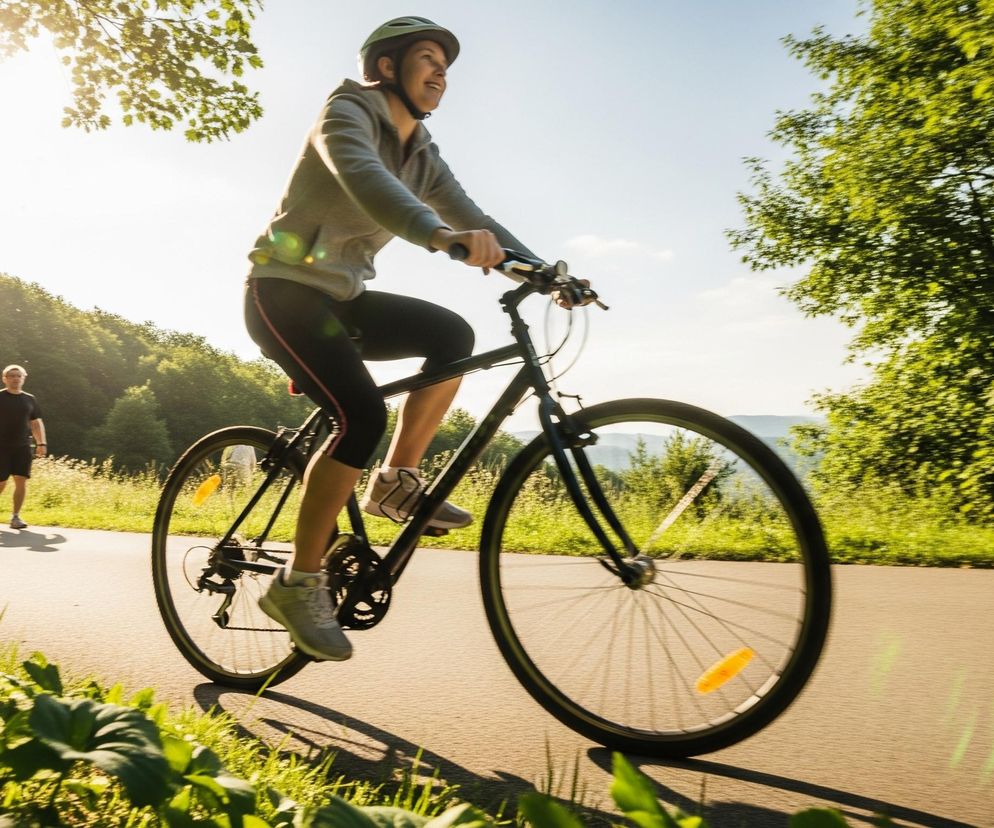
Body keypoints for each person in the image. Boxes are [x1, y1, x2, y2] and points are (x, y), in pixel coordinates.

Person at [244, 16, 589, 662]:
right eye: (427, 59)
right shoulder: (345, 112)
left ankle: (395, 481)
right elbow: (364, 182)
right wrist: (438, 236)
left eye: (447, 67)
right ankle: (298, 581)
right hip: (281, 292)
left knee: (452, 335)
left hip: (341, 301)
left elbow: (475, 218)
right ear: (385, 67)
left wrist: (544, 273)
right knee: (362, 413)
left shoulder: (421, 151)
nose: (441, 74)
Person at [0, 365, 47, 530]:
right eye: (11, 376)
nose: (15, 378)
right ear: (4, 378)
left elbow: (35, 422)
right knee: (1, 483)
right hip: (1, 447)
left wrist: (41, 443)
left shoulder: (29, 399)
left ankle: (15, 517)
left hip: (22, 447)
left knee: (21, 480)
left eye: (18, 376)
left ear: (23, 378)